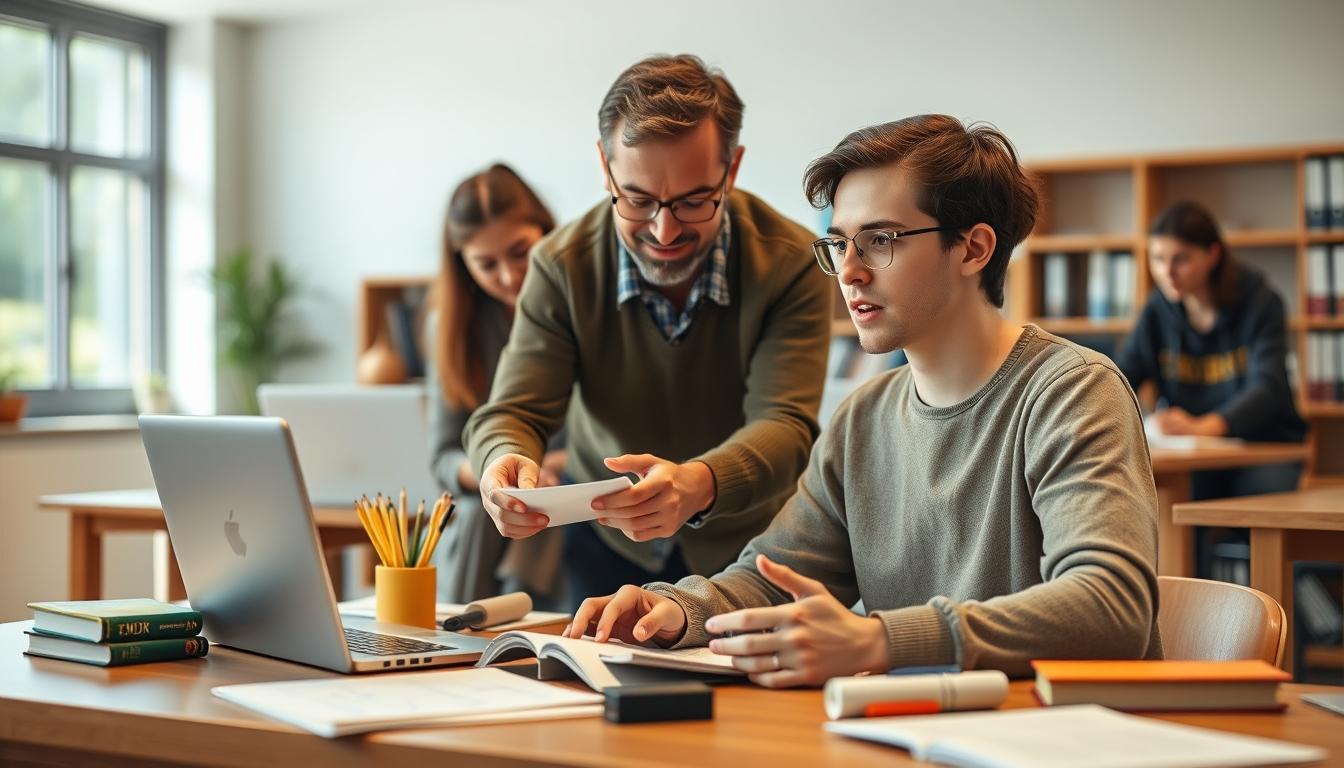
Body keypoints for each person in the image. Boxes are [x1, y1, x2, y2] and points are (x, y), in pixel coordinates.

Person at [564, 114, 1163, 686]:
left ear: (974, 248)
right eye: (839, 244)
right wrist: (675, 610)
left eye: (880, 240)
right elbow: (774, 576)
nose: (848, 272)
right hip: (908, 725)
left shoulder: (1072, 390)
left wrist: (881, 640)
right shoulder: (863, 418)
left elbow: (1110, 606)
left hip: (1055, 734)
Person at [462, 55, 832, 609]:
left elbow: (787, 423)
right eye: (637, 200)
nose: (663, 231)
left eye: (693, 201)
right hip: (605, 544)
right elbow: (514, 411)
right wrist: (502, 460)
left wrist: (701, 482)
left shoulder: (790, 262)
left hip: (747, 545)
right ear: (604, 167)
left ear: (731, 169)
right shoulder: (560, 266)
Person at [1115, 201, 1309, 581]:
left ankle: (1262, 613)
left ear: (1212, 255)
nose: (1167, 273)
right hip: (1195, 456)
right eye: (1157, 259)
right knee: (1171, 517)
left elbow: (1268, 388)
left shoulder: (1260, 302)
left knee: (1253, 523)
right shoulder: (1158, 310)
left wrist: (1203, 426)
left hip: (1266, 446)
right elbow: (1121, 377)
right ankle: (1193, 611)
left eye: (1181, 259)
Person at [427, 163, 568, 606]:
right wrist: (491, 470)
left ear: (545, 233)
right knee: (482, 511)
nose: (509, 276)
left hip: (572, 498)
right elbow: (443, 458)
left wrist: (558, 464)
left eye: (520, 252)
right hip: (491, 510)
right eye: (486, 265)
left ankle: (478, 622)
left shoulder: (579, 310)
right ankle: (489, 623)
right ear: (462, 265)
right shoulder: (451, 331)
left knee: (540, 512)